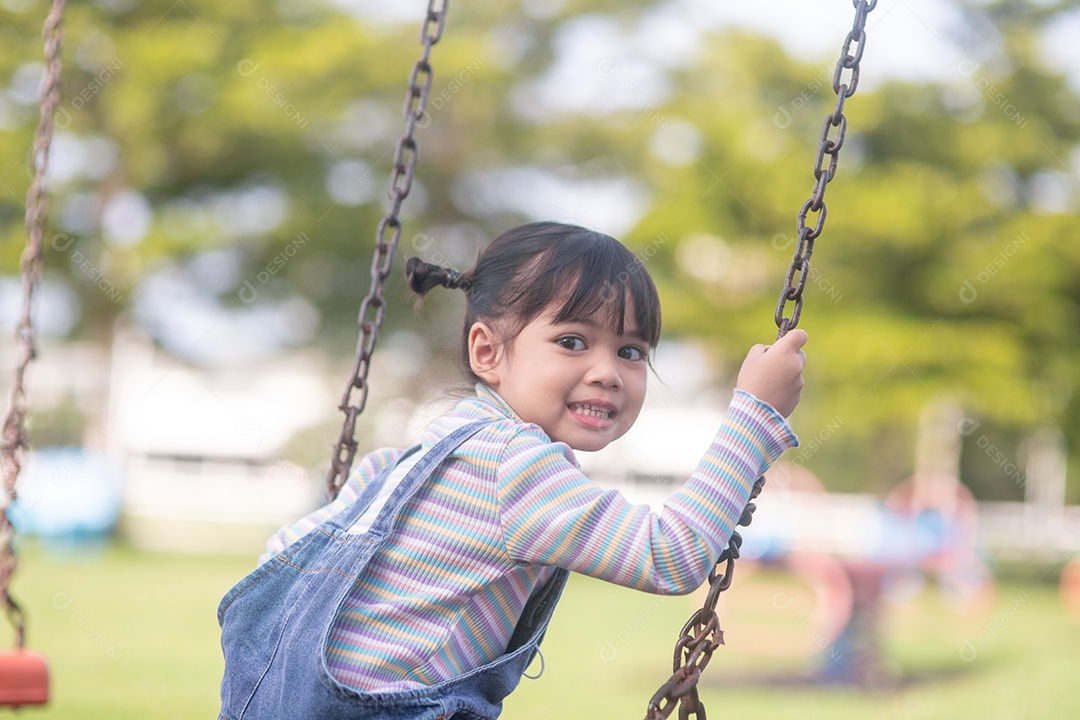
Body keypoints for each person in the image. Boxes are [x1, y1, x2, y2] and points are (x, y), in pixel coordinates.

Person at [218, 221, 807, 720]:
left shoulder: (421, 454)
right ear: (488, 353)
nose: (607, 371)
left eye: (631, 352)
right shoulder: (516, 464)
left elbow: (285, 553)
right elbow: (670, 555)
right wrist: (752, 418)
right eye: (573, 341)